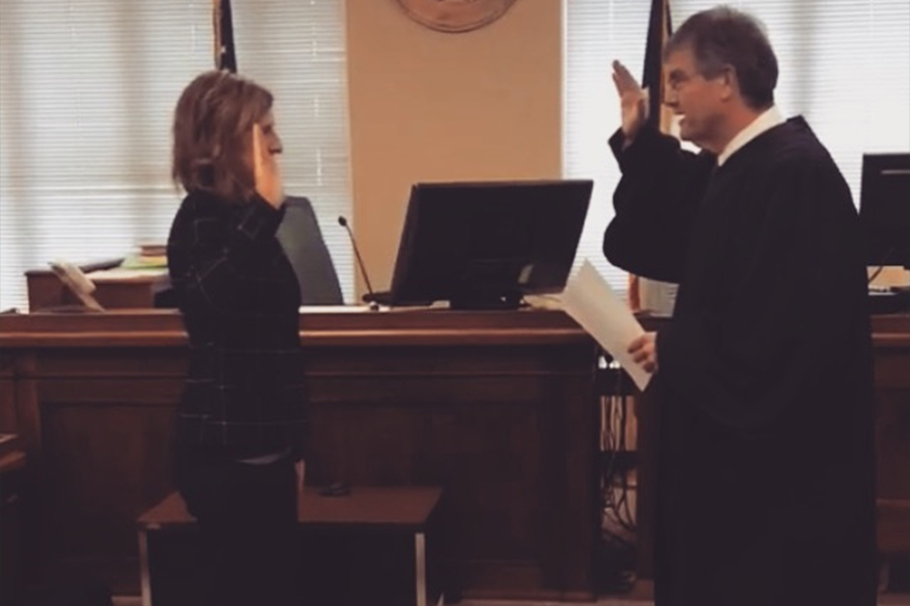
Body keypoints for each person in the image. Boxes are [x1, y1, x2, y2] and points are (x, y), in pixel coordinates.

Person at [603, 7, 876, 606]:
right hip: (736, 468)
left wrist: (676, 348)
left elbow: (784, 331)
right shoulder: (742, 167)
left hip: (778, 486)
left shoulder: (791, 173)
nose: (668, 98)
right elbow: (660, 238)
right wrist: (638, 139)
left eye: (677, 80)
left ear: (725, 80)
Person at [167, 70, 307, 605]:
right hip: (223, 456)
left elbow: (272, 340)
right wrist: (265, 212)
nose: (276, 144)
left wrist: (293, 447)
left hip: (265, 448)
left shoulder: (243, 222)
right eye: (263, 130)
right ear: (227, 143)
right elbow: (209, 307)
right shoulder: (202, 217)